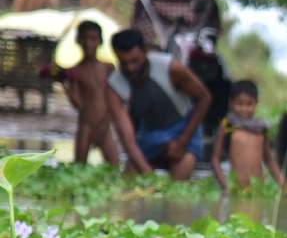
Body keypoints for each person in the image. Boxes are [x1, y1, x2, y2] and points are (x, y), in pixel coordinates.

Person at [104, 28, 212, 179]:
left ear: (145, 52)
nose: (130, 68)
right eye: (124, 63)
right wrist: (149, 176)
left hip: (183, 129)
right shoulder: (114, 85)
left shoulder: (170, 67)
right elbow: (126, 137)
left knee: (178, 183)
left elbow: (204, 98)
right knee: (130, 181)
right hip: (149, 134)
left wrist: (182, 142)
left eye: (135, 61)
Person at [49, 19, 119, 164]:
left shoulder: (108, 68)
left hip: (105, 126)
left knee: (114, 166)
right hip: (85, 126)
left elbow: (115, 99)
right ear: (78, 41)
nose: (88, 44)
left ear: (100, 41)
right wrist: (64, 83)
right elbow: (77, 104)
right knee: (79, 167)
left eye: (93, 39)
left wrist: (108, 122)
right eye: (84, 39)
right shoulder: (75, 72)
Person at [210, 81, 287, 193]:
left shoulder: (261, 128)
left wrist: (284, 186)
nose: (244, 109)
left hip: (258, 189)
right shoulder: (228, 124)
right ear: (231, 103)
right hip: (235, 188)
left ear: (256, 104)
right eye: (239, 104)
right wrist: (226, 186)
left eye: (249, 104)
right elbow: (215, 159)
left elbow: (269, 160)